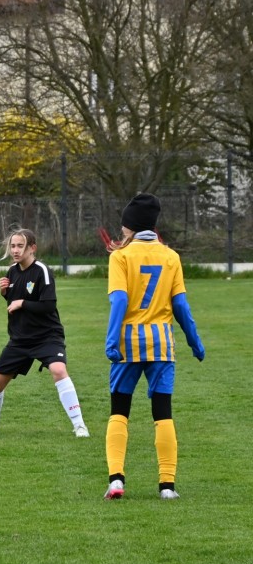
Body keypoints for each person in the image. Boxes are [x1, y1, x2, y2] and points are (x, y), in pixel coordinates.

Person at [103, 193, 204, 501]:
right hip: (161, 344)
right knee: (163, 413)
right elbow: (181, 305)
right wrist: (194, 341)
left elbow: (119, 300)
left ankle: (116, 481)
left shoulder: (120, 257)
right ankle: (167, 486)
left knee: (120, 411)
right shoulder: (171, 257)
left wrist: (111, 340)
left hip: (128, 344)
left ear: (130, 225)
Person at [0, 229, 89, 438]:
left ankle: (79, 425)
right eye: (12, 246)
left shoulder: (42, 271)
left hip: (47, 336)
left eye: (20, 246)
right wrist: (5, 293)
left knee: (59, 370)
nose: (15, 250)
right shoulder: (12, 271)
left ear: (32, 248)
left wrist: (22, 303)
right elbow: (13, 303)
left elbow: (48, 305)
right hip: (20, 340)